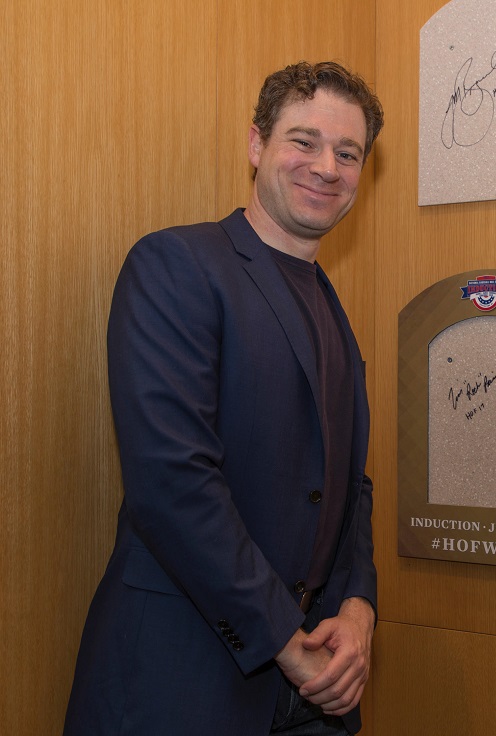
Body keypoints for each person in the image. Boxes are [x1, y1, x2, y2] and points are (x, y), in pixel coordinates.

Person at [64, 61, 384, 736]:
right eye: (303, 140)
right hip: (181, 680)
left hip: (308, 694)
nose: (325, 166)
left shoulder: (330, 303)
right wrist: (282, 641)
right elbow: (172, 483)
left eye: (347, 152)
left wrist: (358, 607)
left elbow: (349, 485)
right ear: (256, 145)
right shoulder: (177, 266)